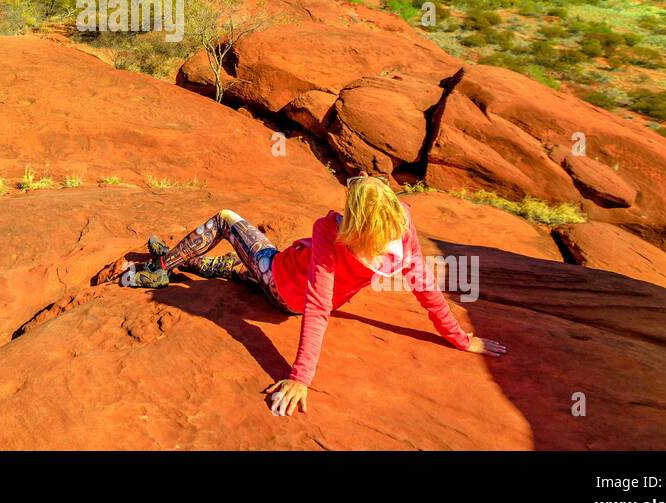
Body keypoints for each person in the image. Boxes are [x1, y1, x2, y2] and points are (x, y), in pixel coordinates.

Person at [120, 175, 506, 416]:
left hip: (282, 282)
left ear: (354, 216)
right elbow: (426, 288)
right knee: (233, 270)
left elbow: (316, 307)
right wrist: (460, 338)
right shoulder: (401, 230)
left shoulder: (330, 230)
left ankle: (160, 269)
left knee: (225, 219)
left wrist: (300, 377)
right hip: (288, 286)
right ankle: (189, 263)